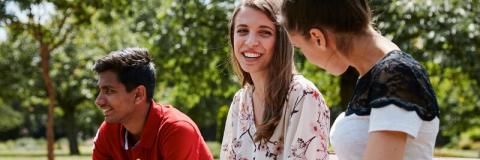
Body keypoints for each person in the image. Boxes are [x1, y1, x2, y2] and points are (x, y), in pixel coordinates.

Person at [281, 0, 440, 160]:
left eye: (299, 47)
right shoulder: (376, 76)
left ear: (317, 37)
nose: (306, 58)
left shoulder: (396, 75)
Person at [220, 0, 330, 159]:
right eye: (242, 30)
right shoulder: (240, 101)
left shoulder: (304, 96)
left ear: (281, 40)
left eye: (264, 32)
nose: (250, 42)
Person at [92, 48, 213, 160]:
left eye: (109, 91)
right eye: (100, 91)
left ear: (138, 94)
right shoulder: (108, 131)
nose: (99, 101)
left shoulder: (177, 130)